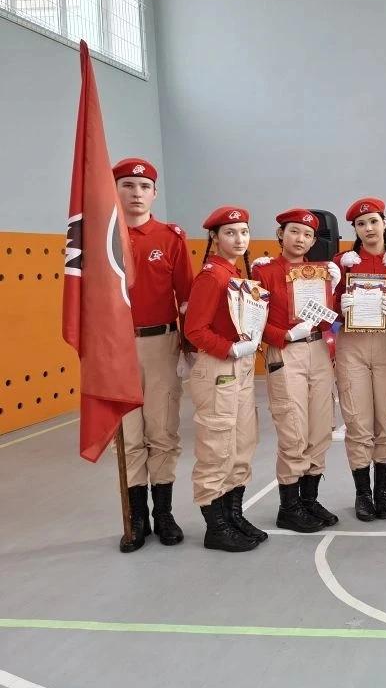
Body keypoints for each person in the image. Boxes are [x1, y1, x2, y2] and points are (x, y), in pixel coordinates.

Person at [113, 158, 192, 553]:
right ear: (115, 191)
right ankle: (137, 518)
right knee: (130, 435)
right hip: (117, 348)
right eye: (128, 185)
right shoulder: (101, 238)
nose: (136, 193)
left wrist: (188, 348)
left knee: (162, 430)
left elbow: (187, 298)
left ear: (155, 193)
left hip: (161, 342)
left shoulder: (170, 237)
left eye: (144, 187)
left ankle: (163, 513)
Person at [251, 209, 342, 533]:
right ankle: (288, 508)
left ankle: (309, 500)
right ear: (280, 234)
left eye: (307, 234)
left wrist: (334, 287)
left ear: (313, 240)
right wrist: (285, 335)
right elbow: (253, 322)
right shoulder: (264, 272)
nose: (300, 238)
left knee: (320, 427)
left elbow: (329, 318)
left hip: (318, 349)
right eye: (294, 231)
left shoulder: (319, 273)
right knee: (293, 429)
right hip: (286, 351)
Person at [184, 206, 268, 552]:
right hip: (219, 367)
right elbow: (194, 330)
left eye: (244, 232)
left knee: (242, 444)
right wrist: (230, 348)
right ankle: (215, 527)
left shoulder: (235, 275)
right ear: (215, 237)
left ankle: (233, 516)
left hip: (240, 367)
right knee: (217, 446)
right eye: (230, 233)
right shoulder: (212, 276)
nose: (239, 239)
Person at [333, 197, 386, 521]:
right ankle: (363, 493)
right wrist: (340, 308)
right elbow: (326, 306)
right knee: (357, 421)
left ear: (384, 223)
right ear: (355, 230)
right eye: (361, 224)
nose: (368, 228)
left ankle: (382, 492)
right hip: (353, 346)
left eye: (374, 221)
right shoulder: (342, 263)